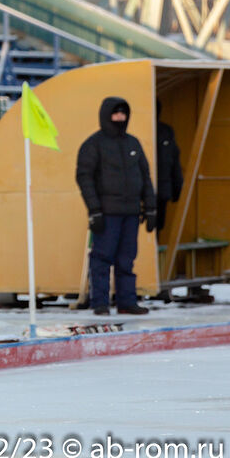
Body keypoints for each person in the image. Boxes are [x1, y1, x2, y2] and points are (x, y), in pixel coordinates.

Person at [76, 97, 156, 316]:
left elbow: (145, 177)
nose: (120, 118)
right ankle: (100, 303)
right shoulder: (94, 144)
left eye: (123, 113)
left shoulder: (133, 144)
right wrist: (94, 210)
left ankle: (126, 302)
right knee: (102, 258)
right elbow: (84, 177)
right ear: (106, 115)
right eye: (116, 113)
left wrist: (150, 208)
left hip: (131, 213)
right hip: (107, 213)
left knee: (126, 259)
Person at [156, 104, 184, 235]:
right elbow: (174, 162)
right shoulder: (166, 131)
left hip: (141, 192)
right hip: (163, 189)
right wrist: (177, 189)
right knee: (157, 227)